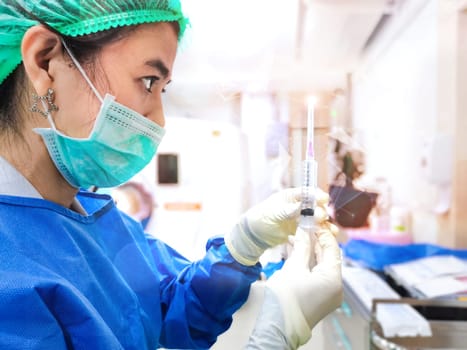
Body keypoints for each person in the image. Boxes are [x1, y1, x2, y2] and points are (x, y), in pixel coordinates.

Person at [0, 1, 342, 349]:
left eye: (162, 89)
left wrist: (243, 246)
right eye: (148, 81)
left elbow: (165, 303)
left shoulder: (98, 222)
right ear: (45, 61)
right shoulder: (8, 277)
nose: (159, 120)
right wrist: (275, 336)